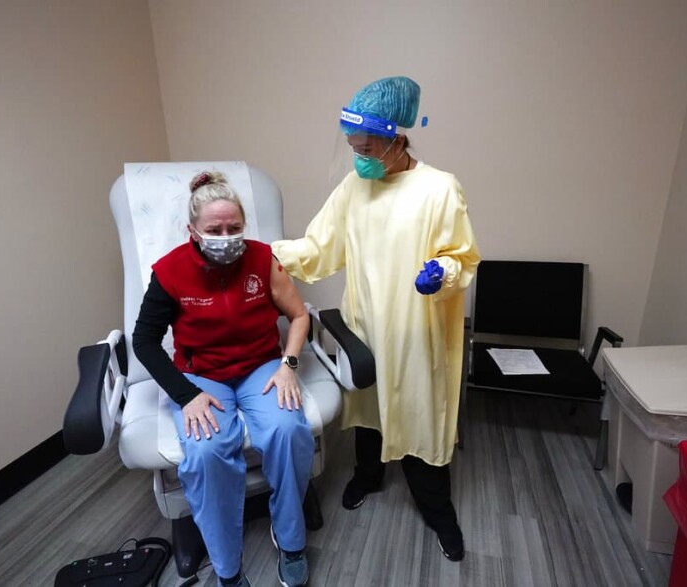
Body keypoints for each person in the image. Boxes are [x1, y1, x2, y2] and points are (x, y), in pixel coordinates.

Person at [272, 76, 481, 562]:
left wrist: (442, 271)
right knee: (368, 413)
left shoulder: (439, 189)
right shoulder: (354, 186)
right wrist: (267, 253)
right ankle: (368, 476)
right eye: (353, 147)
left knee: (418, 416)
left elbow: (462, 257)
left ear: (397, 139)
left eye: (366, 147)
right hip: (364, 326)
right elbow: (321, 248)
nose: (358, 156)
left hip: (416, 331)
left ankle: (437, 511)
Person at [133, 171, 314, 587]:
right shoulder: (170, 272)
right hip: (202, 375)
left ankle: (290, 540)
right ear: (193, 230)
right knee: (207, 451)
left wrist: (288, 365)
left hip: (260, 366)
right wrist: (186, 394)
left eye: (234, 227)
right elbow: (143, 341)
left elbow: (299, 316)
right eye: (214, 229)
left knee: (288, 430)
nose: (226, 236)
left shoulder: (262, 258)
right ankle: (228, 570)